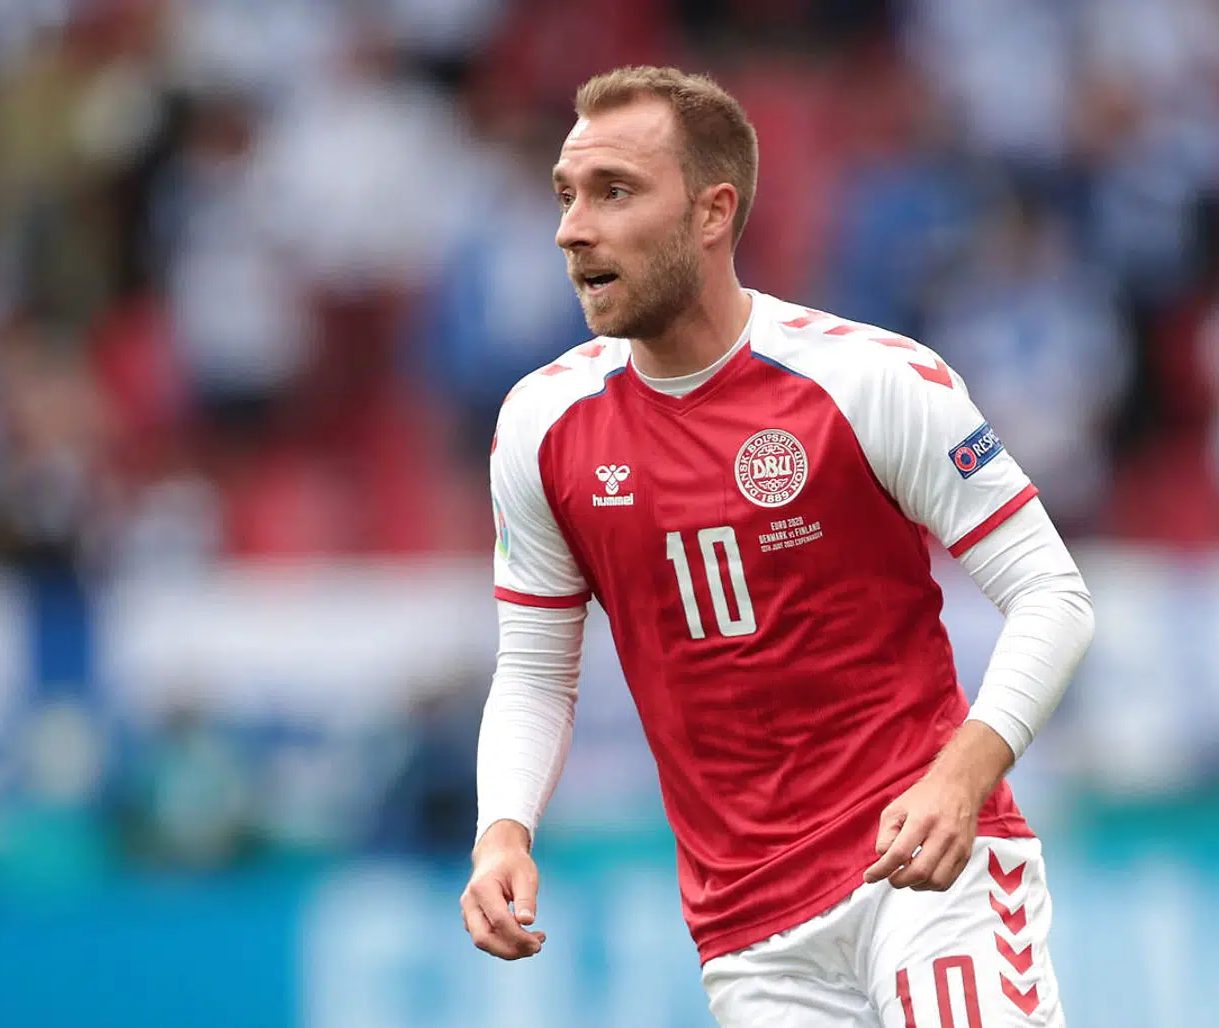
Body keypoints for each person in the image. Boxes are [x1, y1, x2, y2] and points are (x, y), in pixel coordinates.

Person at [460, 65, 1095, 1028]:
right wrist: (502, 832)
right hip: (750, 937)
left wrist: (962, 776)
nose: (572, 228)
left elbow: (1053, 594)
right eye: (566, 195)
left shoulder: (867, 382)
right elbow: (537, 670)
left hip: (928, 878)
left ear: (713, 213)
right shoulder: (543, 426)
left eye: (614, 192)